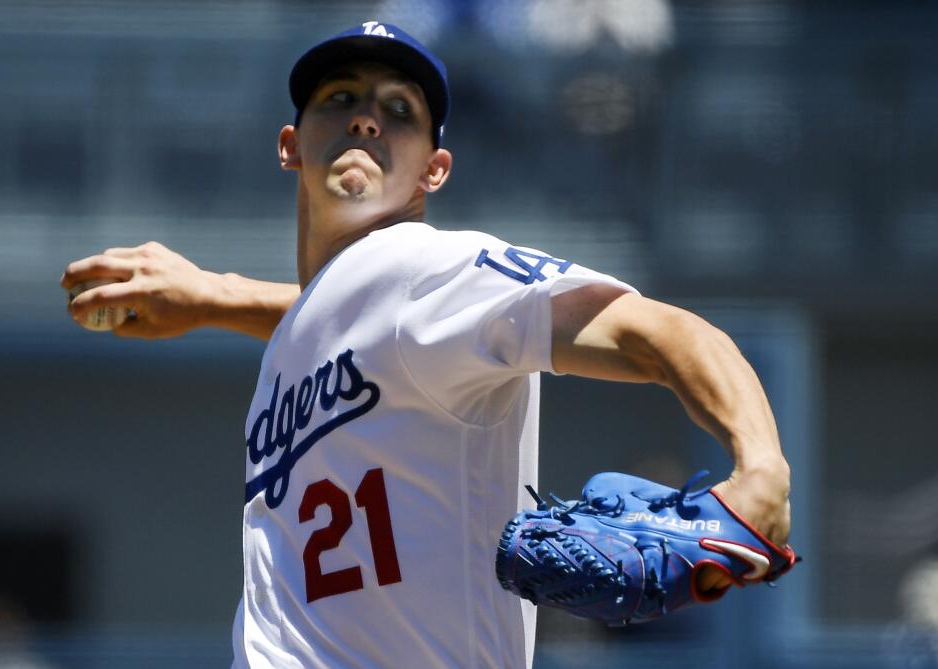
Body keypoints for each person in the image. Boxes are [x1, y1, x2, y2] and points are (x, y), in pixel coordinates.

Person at [61, 21, 792, 669]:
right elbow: (355, 331)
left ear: (433, 170)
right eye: (339, 99)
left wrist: (761, 468)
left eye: (399, 111)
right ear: (291, 146)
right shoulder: (334, 326)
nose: (367, 120)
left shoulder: (430, 269)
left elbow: (663, 331)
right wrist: (213, 296)